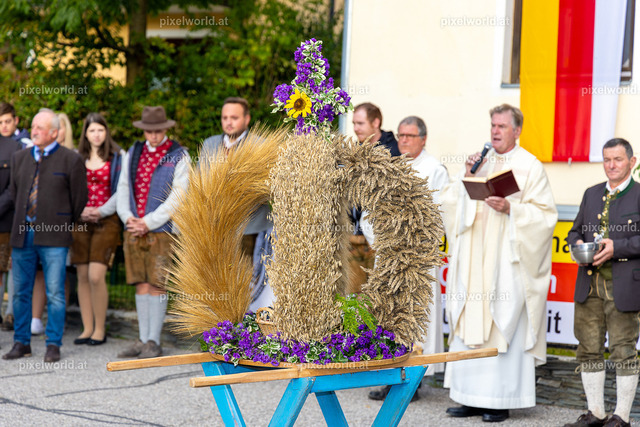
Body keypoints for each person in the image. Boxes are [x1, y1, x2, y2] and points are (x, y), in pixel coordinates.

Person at [441, 104, 557, 422]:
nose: (495, 131)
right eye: (493, 125)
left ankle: (498, 401)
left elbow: (545, 216)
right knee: (469, 323)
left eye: (502, 126)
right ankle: (468, 397)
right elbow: (450, 204)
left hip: (505, 265)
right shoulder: (480, 161)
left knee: (501, 322)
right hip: (473, 261)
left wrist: (511, 210)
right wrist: (467, 177)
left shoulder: (530, 166)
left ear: (517, 131)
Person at [365, 116, 449, 402]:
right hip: (389, 253)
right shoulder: (389, 167)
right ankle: (391, 374)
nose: (403, 140)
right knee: (389, 314)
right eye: (400, 135)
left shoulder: (434, 170)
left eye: (410, 136)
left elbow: (441, 213)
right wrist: (378, 236)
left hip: (416, 257)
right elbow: (370, 209)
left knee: (414, 315)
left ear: (423, 139)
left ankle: (412, 378)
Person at [564, 138, 640, 427]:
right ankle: (595, 413)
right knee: (588, 348)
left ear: (632, 162)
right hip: (589, 285)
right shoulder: (591, 193)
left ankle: (621, 417)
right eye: (607, 159)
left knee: (623, 350)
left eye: (618, 159)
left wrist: (617, 247)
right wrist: (577, 244)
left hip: (624, 286)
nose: (611, 165)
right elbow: (574, 232)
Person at [2, 108, 87, 363]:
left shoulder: (71, 160)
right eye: (33, 127)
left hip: (54, 238)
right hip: (23, 235)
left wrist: (60, 223)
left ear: (54, 133)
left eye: (40, 128)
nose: (34, 131)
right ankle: (21, 342)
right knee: (20, 292)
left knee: (55, 293)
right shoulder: (20, 157)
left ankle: (53, 344)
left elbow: (79, 200)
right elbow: (15, 194)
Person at [116, 106, 189, 359]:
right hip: (134, 227)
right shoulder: (133, 152)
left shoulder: (179, 155)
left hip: (162, 231)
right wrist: (127, 217)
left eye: (158, 130)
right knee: (140, 282)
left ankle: (153, 341)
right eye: (149, 131)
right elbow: (123, 187)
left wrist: (148, 222)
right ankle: (142, 338)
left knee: (157, 283)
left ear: (165, 129)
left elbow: (178, 196)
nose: (153, 135)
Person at [201, 97, 273, 310]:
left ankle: (242, 324)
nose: (228, 122)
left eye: (234, 117)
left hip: (250, 226)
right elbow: (200, 181)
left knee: (245, 280)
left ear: (247, 119)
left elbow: (267, 186)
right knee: (217, 280)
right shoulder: (210, 144)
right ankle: (219, 325)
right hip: (215, 226)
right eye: (225, 117)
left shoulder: (260, 145)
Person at [71, 113, 123, 346]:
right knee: (82, 276)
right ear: (86, 133)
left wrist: (101, 211)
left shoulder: (117, 157)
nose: (96, 134)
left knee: (95, 275)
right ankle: (87, 328)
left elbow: (121, 190)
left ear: (106, 132)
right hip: (81, 220)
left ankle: (100, 329)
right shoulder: (77, 157)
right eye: (92, 130)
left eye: (100, 130)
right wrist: (79, 209)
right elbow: (70, 188)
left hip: (107, 220)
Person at [31, 111, 75, 336]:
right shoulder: (34, 156)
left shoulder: (72, 158)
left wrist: (65, 221)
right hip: (34, 228)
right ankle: (35, 319)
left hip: (59, 230)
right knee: (39, 274)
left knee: (59, 279)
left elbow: (78, 198)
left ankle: (57, 325)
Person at [348, 103, 401, 293]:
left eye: (360, 123)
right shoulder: (355, 150)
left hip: (379, 238)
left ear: (376, 123)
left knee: (377, 295)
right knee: (352, 296)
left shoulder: (393, 151)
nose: (356, 128)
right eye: (354, 123)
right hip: (353, 239)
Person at [0, 135, 24, 333]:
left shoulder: (13, 147)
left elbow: (14, 187)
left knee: (5, 269)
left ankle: (10, 314)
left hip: (5, 222)